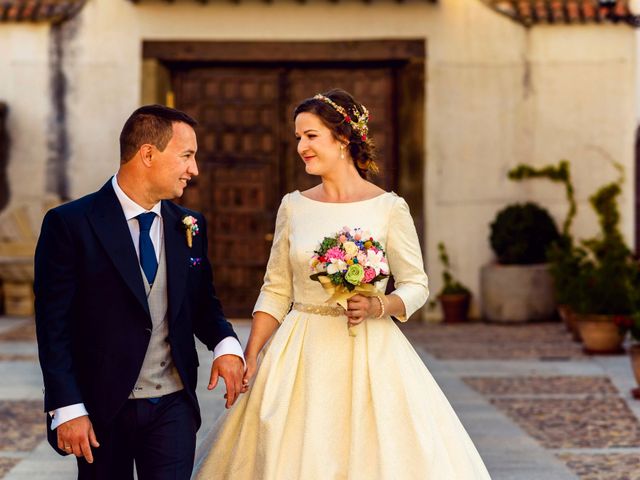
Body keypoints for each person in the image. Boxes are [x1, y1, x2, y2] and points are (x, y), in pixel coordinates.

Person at [193, 89, 491, 479]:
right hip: (300, 351)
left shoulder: (388, 207)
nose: (301, 146)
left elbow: (417, 285)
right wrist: (253, 354)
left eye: (311, 136)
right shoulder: (293, 206)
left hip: (370, 349)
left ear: (344, 139)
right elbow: (276, 289)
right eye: (297, 137)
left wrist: (378, 305)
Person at [34, 105, 246, 479]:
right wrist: (67, 407)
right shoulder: (70, 224)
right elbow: (54, 329)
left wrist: (226, 347)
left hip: (173, 406)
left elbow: (203, 306)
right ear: (148, 154)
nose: (194, 170)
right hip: (101, 410)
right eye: (186, 156)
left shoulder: (190, 225)